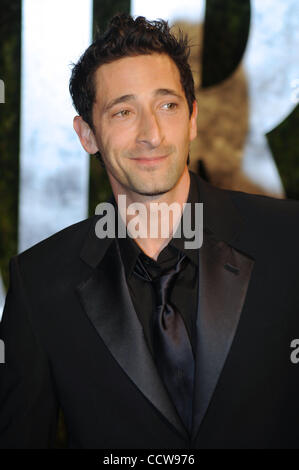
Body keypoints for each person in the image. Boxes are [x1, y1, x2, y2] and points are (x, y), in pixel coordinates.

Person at [0, 13, 299, 450]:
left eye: (167, 105)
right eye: (123, 111)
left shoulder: (289, 241)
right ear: (87, 134)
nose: (151, 134)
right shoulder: (40, 282)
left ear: (192, 118)